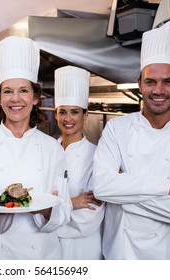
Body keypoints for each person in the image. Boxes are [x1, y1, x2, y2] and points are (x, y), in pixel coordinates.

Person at [92, 21, 170, 259]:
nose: (158, 90)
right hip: (123, 255)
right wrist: (167, 186)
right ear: (139, 84)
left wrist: (123, 196)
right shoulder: (116, 129)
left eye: (167, 81)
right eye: (150, 81)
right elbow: (102, 187)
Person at [0, 36, 71, 260]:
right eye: (8, 91)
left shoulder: (52, 148)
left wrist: (46, 209)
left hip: (42, 254)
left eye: (24, 91)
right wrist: (0, 210)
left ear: (36, 98)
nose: (15, 99)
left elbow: (64, 211)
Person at [54, 66, 104, 260]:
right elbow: (36, 202)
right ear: (56, 114)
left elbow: (89, 217)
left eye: (74, 112)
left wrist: (50, 218)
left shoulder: (98, 157)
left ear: (85, 115)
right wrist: (72, 203)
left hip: (83, 250)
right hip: (48, 250)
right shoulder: (47, 151)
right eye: (62, 112)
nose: (67, 119)